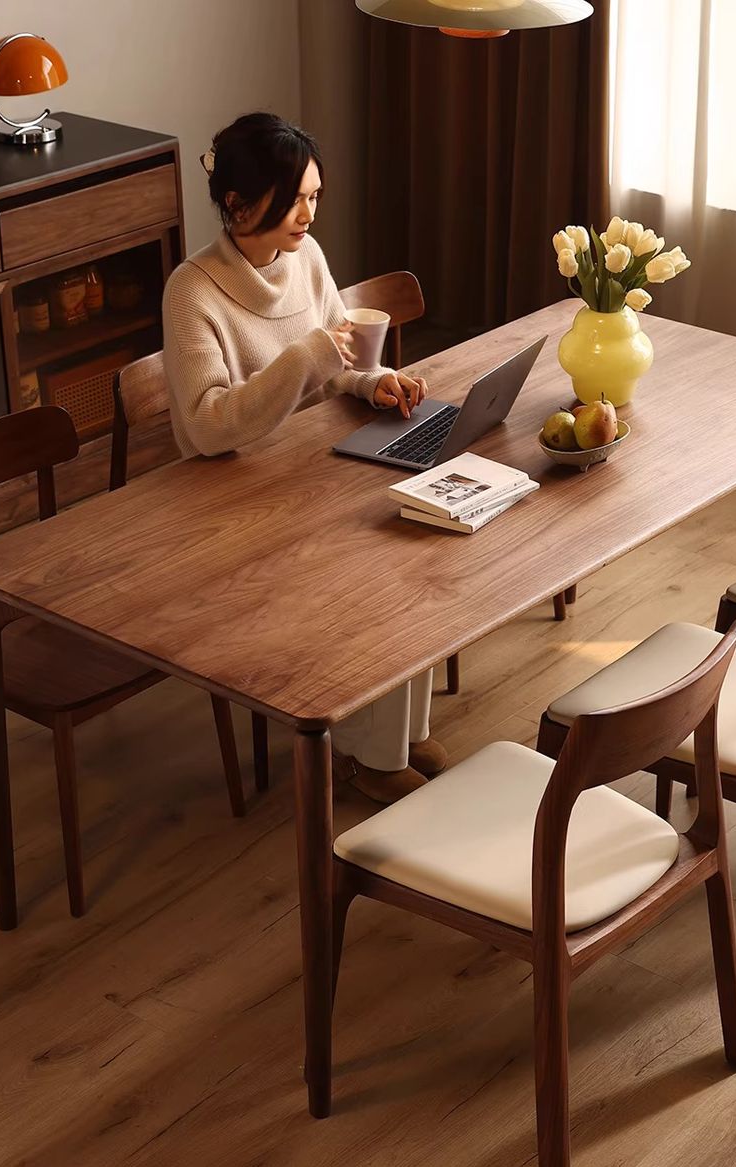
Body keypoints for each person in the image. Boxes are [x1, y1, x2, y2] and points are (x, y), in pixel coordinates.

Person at [162, 112, 444, 804]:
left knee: (415, 542)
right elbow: (206, 428)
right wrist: (307, 359)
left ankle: (398, 729)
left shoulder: (306, 260)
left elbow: (335, 366)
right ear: (236, 204)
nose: (307, 215)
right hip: (226, 501)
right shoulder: (192, 291)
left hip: (305, 468)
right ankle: (368, 756)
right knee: (372, 565)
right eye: (293, 199)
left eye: (315, 196)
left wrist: (374, 383)